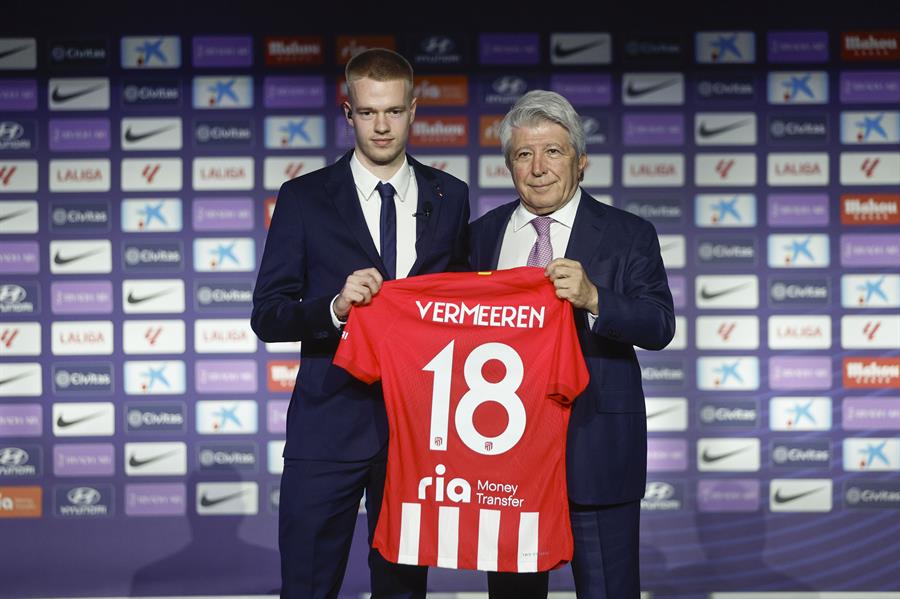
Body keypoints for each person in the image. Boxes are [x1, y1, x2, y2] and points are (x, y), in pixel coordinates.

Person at [251, 48, 470, 599]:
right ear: (347, 112)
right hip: (327, 422)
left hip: (419, 428)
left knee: (402, 587)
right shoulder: (303, 198)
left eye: (393, 111)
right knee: (307, 583)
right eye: (368, 112)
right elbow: (268, 313)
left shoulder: (451, 197)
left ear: (414, 110)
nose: (381, 125)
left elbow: (465, 306)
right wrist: (333, 307)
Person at [469, 90, 675, 599]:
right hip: (505, 458)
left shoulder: (629, 234)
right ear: (508, 165)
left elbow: (658, 324)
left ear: (581, 162)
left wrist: (594, 297)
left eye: (553, 152)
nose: (538, 168)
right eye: (523, 154)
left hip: (596, 449)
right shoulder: (477, 238)